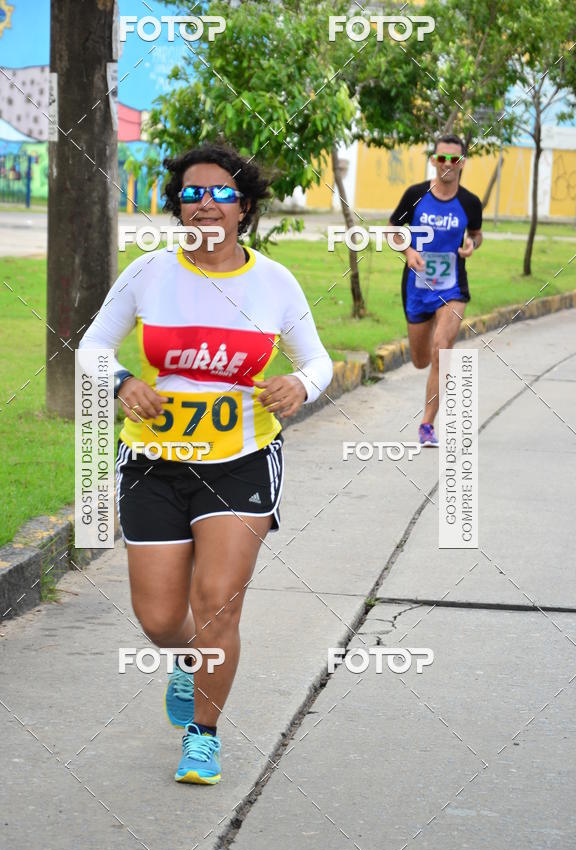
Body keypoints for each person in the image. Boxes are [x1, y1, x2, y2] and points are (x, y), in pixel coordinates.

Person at [79, 143, 332, 784]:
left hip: (241, 459)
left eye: (220, 192)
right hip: (155, 462)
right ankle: (188, 662)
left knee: (218, 604)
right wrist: (121, 383)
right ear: (178, 207)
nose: (206, 202)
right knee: (162, 617)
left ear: (243, 207)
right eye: (192, 192)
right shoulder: (148, 274)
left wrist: (300, 386)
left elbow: (318, 362)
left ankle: (204, 736)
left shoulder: (274, 283)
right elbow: (93, 348)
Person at [389, 134, 483, 447]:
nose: (447, 164)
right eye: (442, 158)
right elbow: (392, 230)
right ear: (433, 159)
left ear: (462, 164)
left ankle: (427, 425)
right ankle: (426, 344)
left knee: (442, 348)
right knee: (420, 360)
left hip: (452, 286)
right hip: (417, 287)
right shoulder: (415, 195)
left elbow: (476, 235)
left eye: (454, 159)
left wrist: (471, 245)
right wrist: (408, 251)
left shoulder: (469, 202)